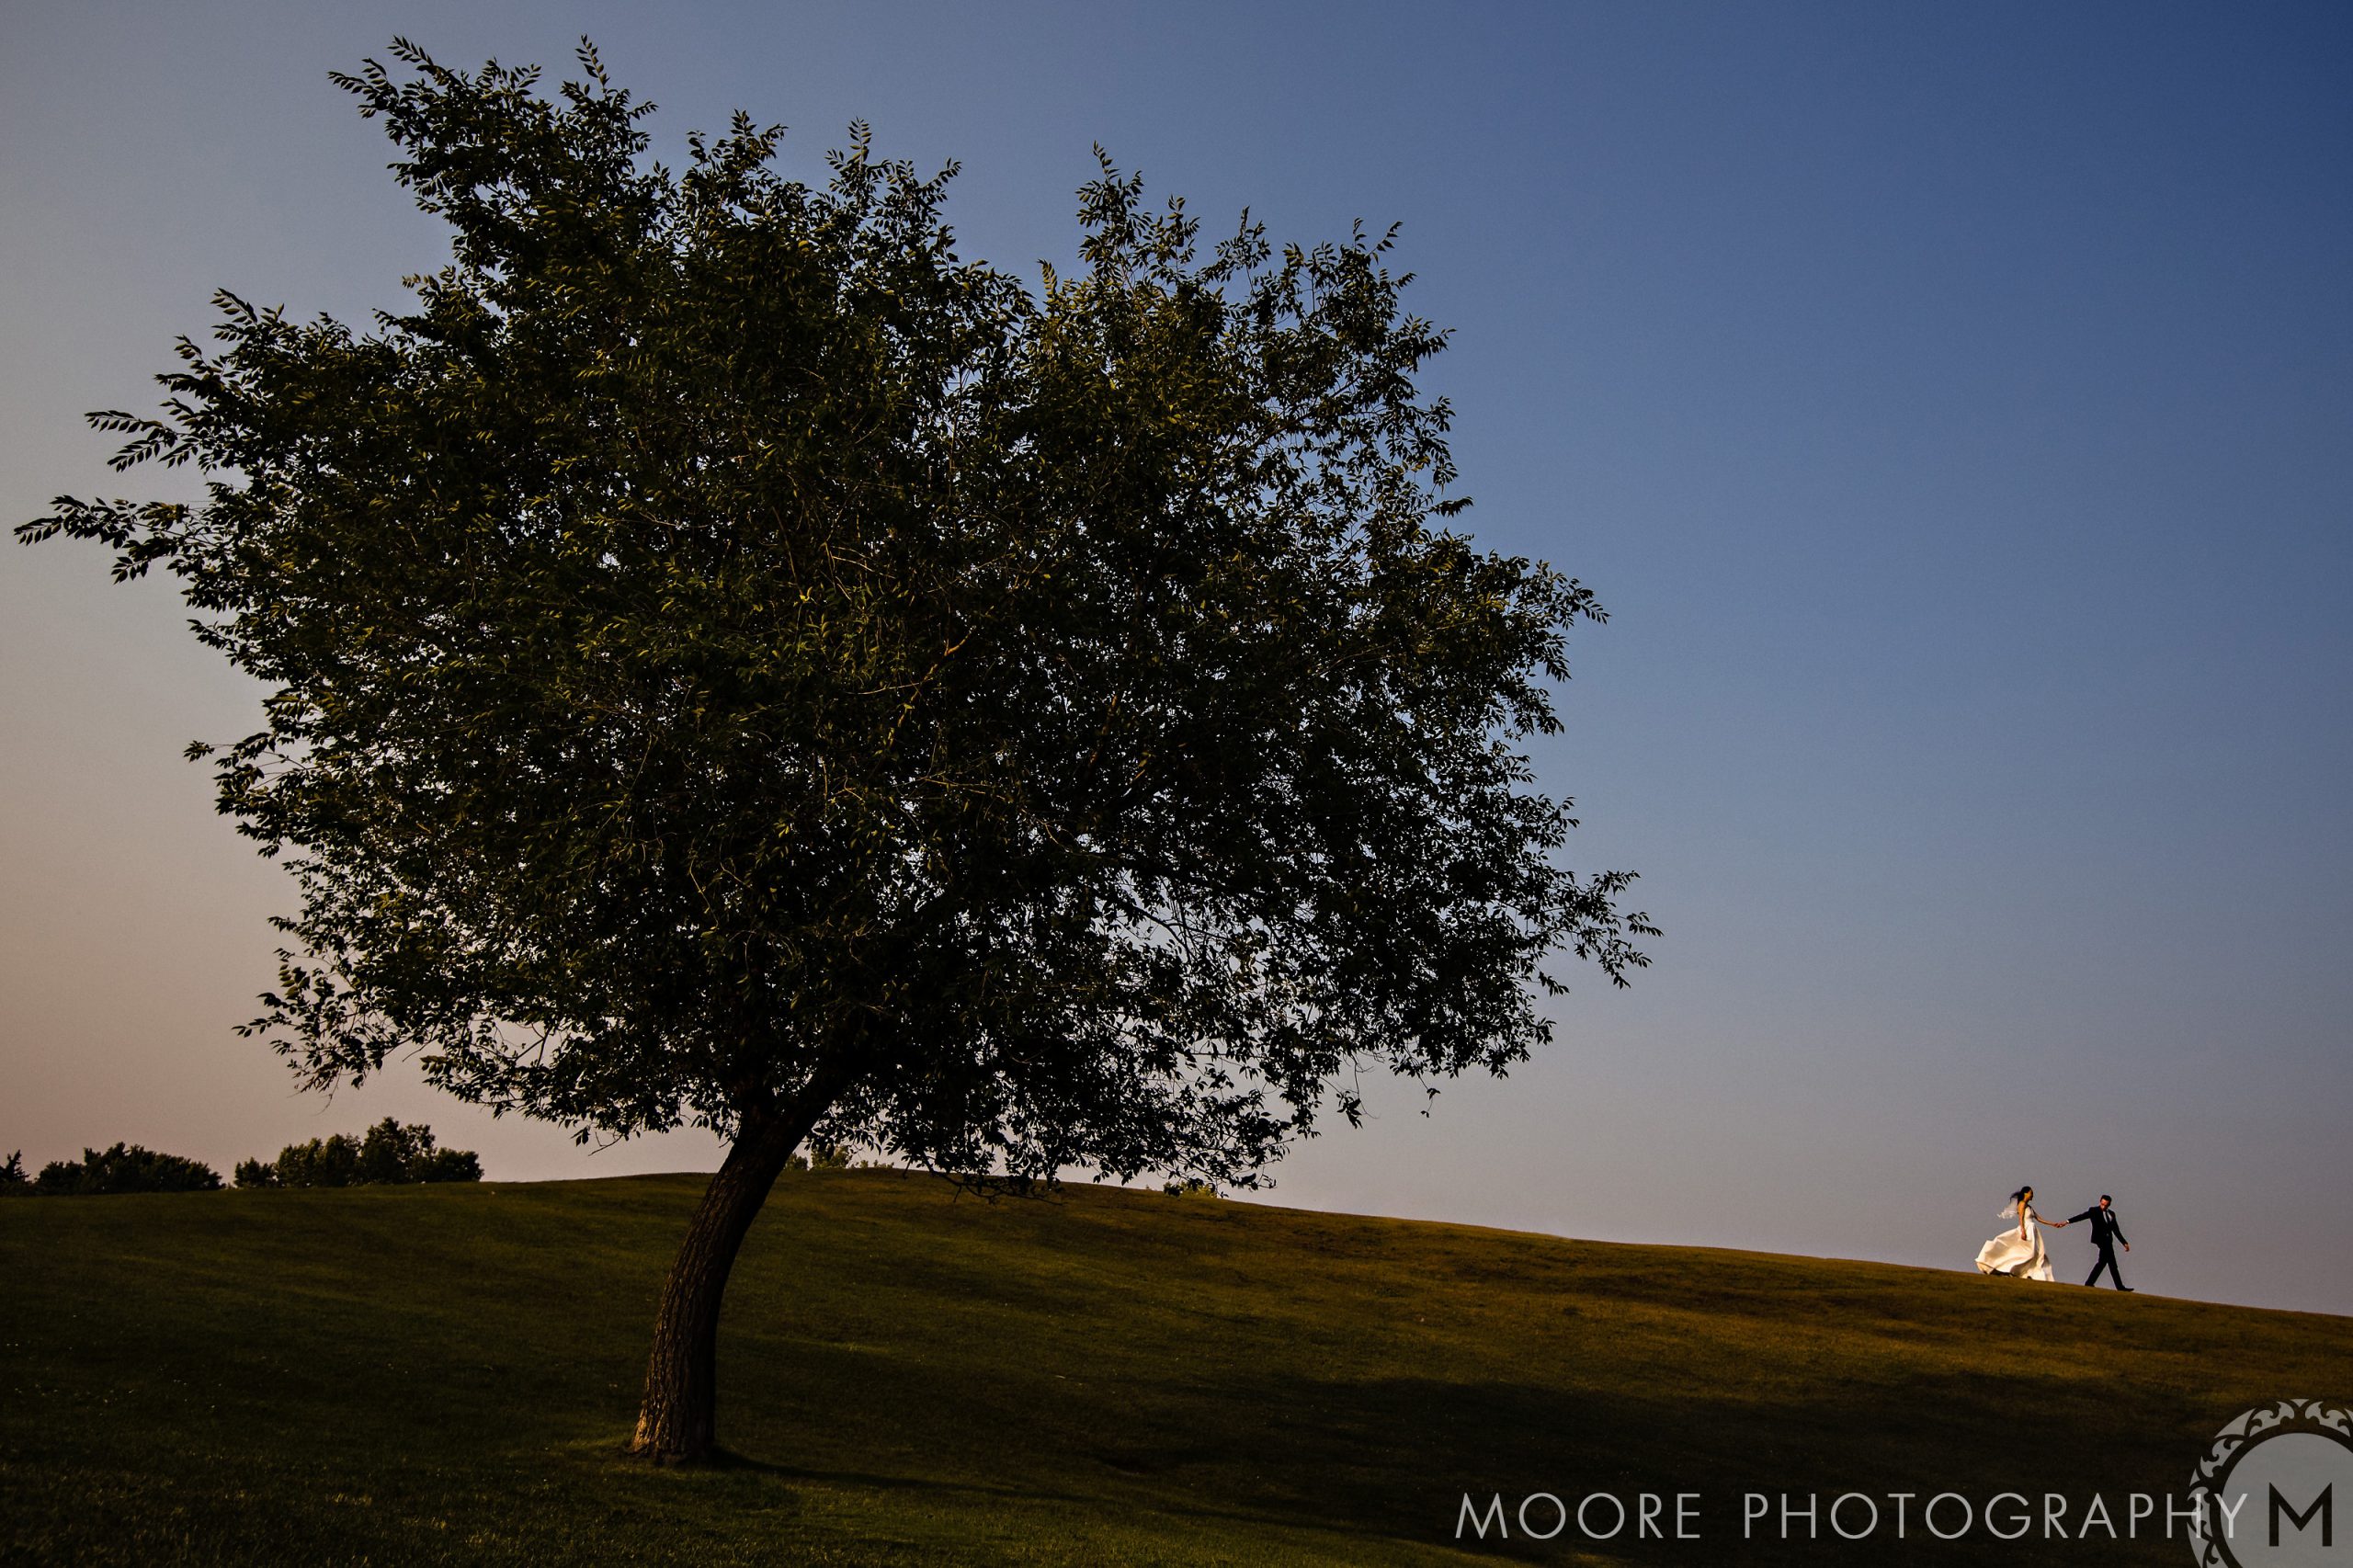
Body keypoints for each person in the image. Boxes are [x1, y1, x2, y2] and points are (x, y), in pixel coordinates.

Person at [1974, 1185, 2056, 1280]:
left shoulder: (2030, 1207)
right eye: (2031, 1193)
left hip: (2032, 1231)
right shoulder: (2022, 1204)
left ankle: (2027, 1274)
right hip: (2026, 1229)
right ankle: (2012, 1270)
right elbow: (2021, 1218)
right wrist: (2023, 1231)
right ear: (2026, 1193)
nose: (2032, 1195)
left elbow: (2039, 1219)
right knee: (2028, 1254)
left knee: (2036, 1254)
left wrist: (2053, 1224)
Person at [2064, 1194, 2132, 1290]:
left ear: (2109, 1205)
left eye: (2106, 1205)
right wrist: (2067, 1222)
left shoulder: (2111, 1214)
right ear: (2100, 1201)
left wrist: (2124, 1242)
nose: (2103, 1206)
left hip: (2109, 1241)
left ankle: (2090, 1282)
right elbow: (2082, 1216)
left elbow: (2116, 1229)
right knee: (2112, 1264)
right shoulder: (2094, 1211)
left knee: (2103, 1263)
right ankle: (2119, 1287)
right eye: (2102, 1204)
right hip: (2100, 1240)